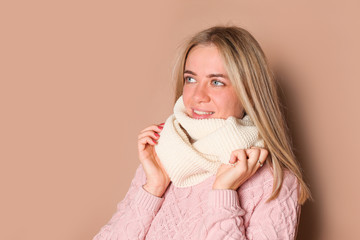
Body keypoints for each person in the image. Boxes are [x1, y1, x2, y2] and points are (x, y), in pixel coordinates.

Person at [93, 25, 312, 240]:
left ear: (249, 93)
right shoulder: (163, 156)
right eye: (190, 79)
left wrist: (224, 193)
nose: (198, 95)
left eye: (216, 82)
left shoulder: (275, 183)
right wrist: (153, 188)